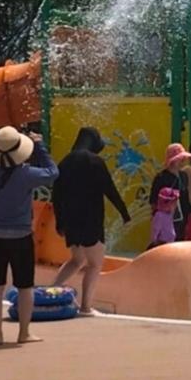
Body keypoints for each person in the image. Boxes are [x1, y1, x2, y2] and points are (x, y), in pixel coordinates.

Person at [0, 125, 58, 346]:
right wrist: (40, 147)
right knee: (24, 286)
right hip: (20, 235)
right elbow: (53, 173)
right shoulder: (27, 174)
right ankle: (24, 333)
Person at [52, 126, 131, 314]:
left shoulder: (65, 162)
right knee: (94, 264)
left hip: (70, 220)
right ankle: (86, 307)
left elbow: (56, 195)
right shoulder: (95, 161)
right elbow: (109, 189)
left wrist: (59, 221)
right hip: (91, 219)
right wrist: (124, 213)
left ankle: (51, 290)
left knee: (77, 259)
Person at [149, 143, 191, 241]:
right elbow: (153, 201)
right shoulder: (161, 178)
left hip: (182, 221)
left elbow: (185, 200)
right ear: (173, 160)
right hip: (167, 222)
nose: (183, 160)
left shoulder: (183, 176)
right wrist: (159, 220)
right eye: (181, 158)